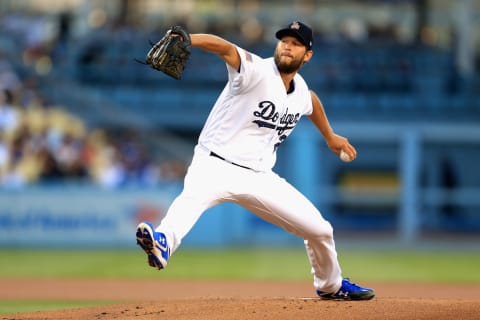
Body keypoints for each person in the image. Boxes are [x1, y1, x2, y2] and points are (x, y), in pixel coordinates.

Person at [136, 21, 375, 300]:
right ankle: (163, 243)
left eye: (296, 43)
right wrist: (189, 39)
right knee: (190, 201)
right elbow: (225, 48)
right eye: (284, 40)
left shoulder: (299, 90)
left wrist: (330, 136)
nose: (287, 45)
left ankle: (330, 286)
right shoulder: (256, 70)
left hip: (260, 177)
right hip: (215, 163)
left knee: (321, 230)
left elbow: (311, 102)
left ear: (307, 55)